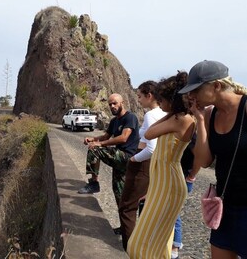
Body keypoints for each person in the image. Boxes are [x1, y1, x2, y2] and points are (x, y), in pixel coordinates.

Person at [178, 60, 247, 259]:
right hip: (225, 206)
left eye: (196, 90)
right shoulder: (209, 114)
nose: (191, 96)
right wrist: (199, 119)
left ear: (216, 86)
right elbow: (204, 161)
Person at [127, 71, 196, 259]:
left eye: (163, 99)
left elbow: (149, 134)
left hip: (169, 184)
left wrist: (171, 111)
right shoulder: (177, 117)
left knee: (138, 246)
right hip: (164, 182)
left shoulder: (181, 119)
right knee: (157, 244)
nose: (160, 103)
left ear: (172, 101)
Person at [118, 80, 166, 251]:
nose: (137, 100)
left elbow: (151, 148)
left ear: (149, 95)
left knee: (126, 207)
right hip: (152, 165)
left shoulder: (150, 115)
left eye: (139, 96)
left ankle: (130, 248)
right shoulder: (163, 113)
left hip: (142, 164)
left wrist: (134, 159)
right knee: (143, 207)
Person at [78, 93, 140, 222]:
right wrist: (93, 138)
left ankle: (94, 183)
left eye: (115, 103)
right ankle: (125, 227)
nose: (112, 106)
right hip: (118, 158)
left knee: (95, 149)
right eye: (110, 104)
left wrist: (98, 144)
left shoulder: (130, 118)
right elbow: (106, 137)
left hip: (127, 157)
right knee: (119, 193)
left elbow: (123, 138)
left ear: (122, 103)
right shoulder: (114, 121)